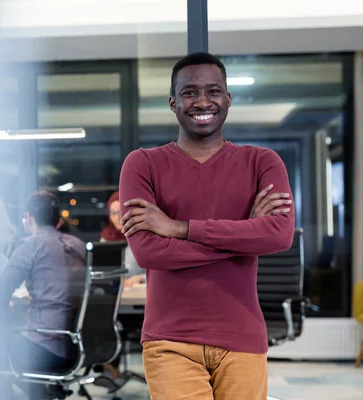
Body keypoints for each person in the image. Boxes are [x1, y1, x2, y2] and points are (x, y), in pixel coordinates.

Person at [118, 52, 295, 400]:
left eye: (213, 91)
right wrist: (246, 232)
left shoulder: (262, 162)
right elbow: (148, 251)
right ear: (173, 102)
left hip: (242, 337)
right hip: (169, 340)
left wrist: (179, 228)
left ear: (227, 99)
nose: (202, 101)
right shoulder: (142, 164)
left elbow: (278, 235)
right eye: (189, 92)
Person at [0, 191, 86, 399]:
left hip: (43, 350)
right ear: (58, 220)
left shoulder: (31, 245)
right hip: (75, 348)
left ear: (28, 218)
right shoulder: (78, 246)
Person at [101, 191, 146, 289]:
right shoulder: (106, 239)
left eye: (120, 212)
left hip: (140, 295)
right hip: (113, 295)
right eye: (113, 213)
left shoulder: (142, 236)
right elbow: (102, 272)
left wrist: (140, 278)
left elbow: (159, 271)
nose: (117, 217)